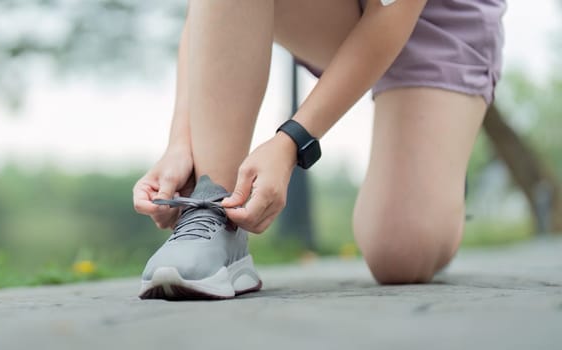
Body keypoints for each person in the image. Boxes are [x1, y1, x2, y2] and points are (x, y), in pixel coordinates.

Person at [132, 0, 506, 300]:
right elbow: (203, 16)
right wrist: (181, 142)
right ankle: (214, 208)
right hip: (339, 14)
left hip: (437, 25)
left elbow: (394, 12)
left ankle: (444, 168)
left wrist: (291, 142)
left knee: (401, 255)